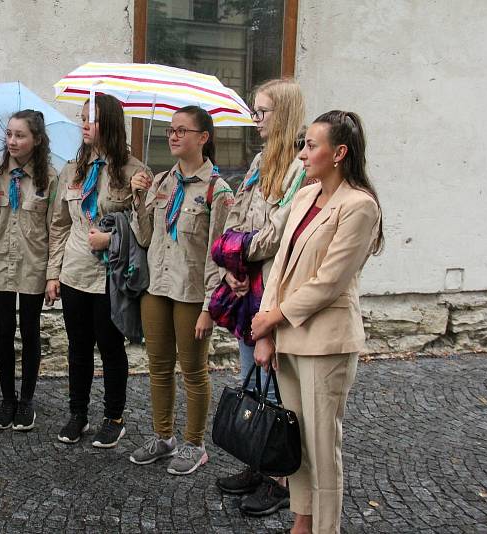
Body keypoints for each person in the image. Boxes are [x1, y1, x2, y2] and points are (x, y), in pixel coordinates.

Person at [251, 110, 383, 534]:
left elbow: (329, 281)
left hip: (327, 342)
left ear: (339, 152)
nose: (302, 153)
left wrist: (273, 315)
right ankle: (302, 522)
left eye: (311, 145)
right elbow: (282, 266)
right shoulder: (306, 195)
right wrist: (267, 328)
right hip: (287, 336)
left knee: (323, 448)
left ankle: (327, 528)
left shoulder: (360, 206)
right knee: (298, 444)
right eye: (303, 144)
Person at [215, 78, 307, 514]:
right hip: (245, 286)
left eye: (263, 112)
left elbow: (276, 233)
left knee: (277, 387)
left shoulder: (300, 168)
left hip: (271, 289)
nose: (256, 120)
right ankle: (257, 459)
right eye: (254, 111)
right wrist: (232, 262)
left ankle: (281, 477)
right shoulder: (258, 161)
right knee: (251, 377)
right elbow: (236, 214)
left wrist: (236, 251)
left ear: (284, 113)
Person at [127, 106, 233, 475]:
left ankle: (194, 443)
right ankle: (163, 437)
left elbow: (218, 253)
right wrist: (138, 199)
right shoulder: (161, 182)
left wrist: (209, 306)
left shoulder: (217, 191)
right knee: (157, 366)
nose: (172, 136)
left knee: (193, 370)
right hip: (157, 286)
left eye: (182, 130)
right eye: (171, 130)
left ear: (203, 138)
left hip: (191, 291)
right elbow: (144, 237)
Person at [46, 94, 146, 448]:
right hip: (74, 270)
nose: (85, 124)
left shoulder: (133, 171)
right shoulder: (72, 170)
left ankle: (114, 417)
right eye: (83, 117)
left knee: (110, 346)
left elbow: (144, 231)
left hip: (110, 277)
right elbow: (59, 225)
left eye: (94, 118)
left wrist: (117, 230)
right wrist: (52, 274)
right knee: (78, 346)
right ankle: (78, 414)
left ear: (112, 124)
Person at [0, 110, 58, 431]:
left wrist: (53, 274)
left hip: (33, 264)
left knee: (31, 331)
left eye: (20, 135)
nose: (12, 141)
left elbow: (55, 228)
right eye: (8, 134)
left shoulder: (49, 178)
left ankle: (27, 401)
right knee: (4, 332)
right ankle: (7, 399)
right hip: (0, 262)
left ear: (36, 140)